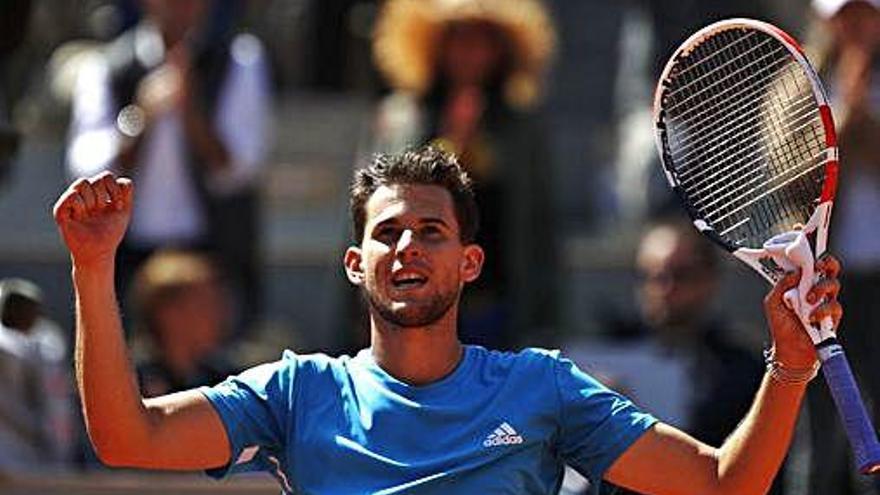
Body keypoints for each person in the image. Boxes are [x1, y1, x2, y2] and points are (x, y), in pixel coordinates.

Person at [53, 146, 842, 494]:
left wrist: (790, 364)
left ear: (469, 262)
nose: (407, 247)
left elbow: (723, 483)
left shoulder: (542, 387)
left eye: (431, 231)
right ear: (356, 265)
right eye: (386, 232)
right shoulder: (297, 392)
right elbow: (128, 437)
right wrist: (94, 266)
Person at [65, 0, 271, 332]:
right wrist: (141, 117)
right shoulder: (108, 65)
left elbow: (240, 169)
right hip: (129, 257)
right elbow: (87, 167)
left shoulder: (237, 58)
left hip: (211, 255)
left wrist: (192, 112)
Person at [367, 0, 558, 349]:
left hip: (496, 306)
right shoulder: (401, 119)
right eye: (459, 40)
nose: (470, 53)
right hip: (415, 304)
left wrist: (546, 317)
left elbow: (539, 226)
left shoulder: (521, 128)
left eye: (483, 42)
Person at [567, 220, 775, 494]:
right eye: (651, 276)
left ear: (709, 280)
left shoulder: (745, 370)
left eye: (680, 275)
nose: (664, 289)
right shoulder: (603, 355)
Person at [799, 1, 880, 492]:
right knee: (823, 428)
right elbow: (803, 180)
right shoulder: (799, 85)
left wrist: (855, 120)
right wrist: (848, 120)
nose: (854, 26)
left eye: (865, 14)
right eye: (843, 14)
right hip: (826, 285)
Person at [129, 249, 238, 397]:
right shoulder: (128, 379)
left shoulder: (225, 381)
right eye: (204, 306)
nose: (219, 315)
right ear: (168, 313)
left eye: (218, 304)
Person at [0, 278, 73, 472]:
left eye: (31, 308)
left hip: (42, 455)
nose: (26, 313)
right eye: (17, 306)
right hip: (8, 450)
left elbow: (58, 411)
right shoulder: (6, 344)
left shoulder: (48, 343)